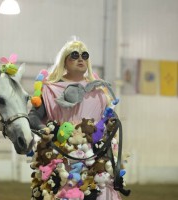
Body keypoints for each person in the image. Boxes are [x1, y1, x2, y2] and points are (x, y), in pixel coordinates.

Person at [28, 40, 124, 200]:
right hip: (60, 162)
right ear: (64, 60)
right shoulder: (49, 89)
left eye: (84, 56)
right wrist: (44, 130)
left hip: (95, 162)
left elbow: (109, 118)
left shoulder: (99, 90)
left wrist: (111, 122)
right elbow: (33, 117)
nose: (81, 59)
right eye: (74, 55)